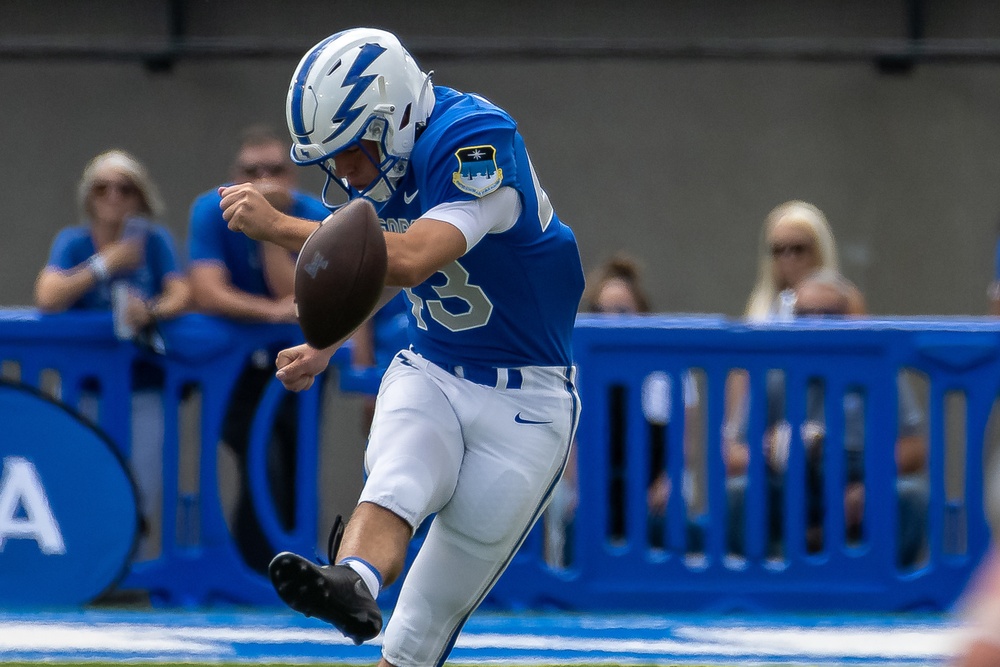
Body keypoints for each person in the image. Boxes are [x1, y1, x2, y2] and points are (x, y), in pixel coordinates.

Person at [220, 28, 585, 665]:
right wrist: (328, 343)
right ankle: (353, 583)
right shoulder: (390, 156)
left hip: (527, 404)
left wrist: (278, 227)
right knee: (396, 480)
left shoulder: (475, 143)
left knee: (421, 627)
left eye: (352, 149)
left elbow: (414, 259)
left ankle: (381, 614)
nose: (345, 171)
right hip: (435, 367)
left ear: (396, 114)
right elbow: (385, 264)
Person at [187, 124, 330, 573]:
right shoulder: (212, 210)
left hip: (298, 362)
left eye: (276, 169)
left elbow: (303, 296)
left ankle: (284, 566)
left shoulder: (311, 214)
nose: (263, 179)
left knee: (295, 466)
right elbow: (207, 292)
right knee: (260, 459)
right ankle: (257, 567)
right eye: (251, 170)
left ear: (294, 175)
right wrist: (271, 314)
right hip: (235, 369)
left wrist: (272, 230)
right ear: (234, 175)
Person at [34, 148, 190, 560]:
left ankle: (129, 570)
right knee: (80, 477)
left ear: (140, 197)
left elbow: (181, 293)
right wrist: (105, 264)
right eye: (102, 188)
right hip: (84, 388)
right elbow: (48, 296)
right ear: (89, 197)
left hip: (144, 386)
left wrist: (150, 309)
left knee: (139, 483)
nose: (113, 197)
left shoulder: (153, 242)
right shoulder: (73, 242)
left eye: (125, 189)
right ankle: (84, 567)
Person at [725, 268, 928, 567]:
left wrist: (871, 483)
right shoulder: (773, 375)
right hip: (789, 486)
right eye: (805, 314)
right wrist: (766, 450)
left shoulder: (880, 372)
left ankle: (870, 576)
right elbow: (732, 454)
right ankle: (775, 575)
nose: (817, 323)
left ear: (850, 319)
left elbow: (914, 448)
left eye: (830, 314)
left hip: (859, 484)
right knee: (737, 495)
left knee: (911, 497)